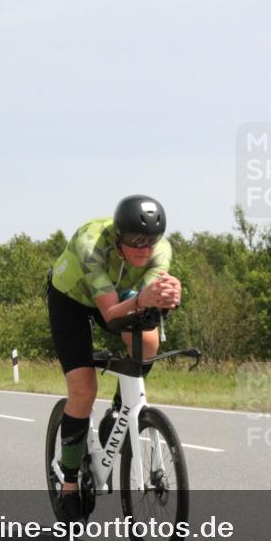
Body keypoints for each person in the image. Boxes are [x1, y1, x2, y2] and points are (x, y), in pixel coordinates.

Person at [47, 195, 182, 521]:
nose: (143, 248)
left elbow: (146, 301)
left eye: (150, 241)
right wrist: (144, 300)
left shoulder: (161, 251)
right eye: (135, 240)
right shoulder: (91, 242)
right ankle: (68, 482)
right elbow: (109, 313)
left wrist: (167, 296)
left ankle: (122, 409)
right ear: (118, 236)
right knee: (83, 390)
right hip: (73, 299)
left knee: (147, 343)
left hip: (119, 293)